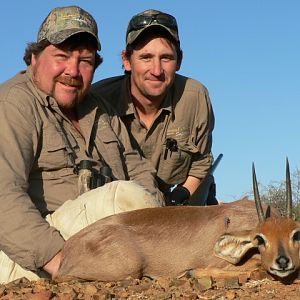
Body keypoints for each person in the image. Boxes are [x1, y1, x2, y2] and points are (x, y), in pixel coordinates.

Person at [0, 6, 163, 284]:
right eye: (61, 57)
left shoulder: (99, 108)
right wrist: (64, 262)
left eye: (85, 60)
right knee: (126, 197)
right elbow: (4, 196)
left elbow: (138, 169)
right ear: (35, 57)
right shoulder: (14, 103)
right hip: (36, 251)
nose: (73, 71)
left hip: (101, 241)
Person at [91, 9, 218, 206]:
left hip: (175, 201)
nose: (157, 70)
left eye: (166, 58)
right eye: (146, 57)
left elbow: (200, 164)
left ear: (179, 61)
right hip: (118, 204)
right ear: (126, 60)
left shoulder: (196, 97)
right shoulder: (98, 100)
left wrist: (180, 196)